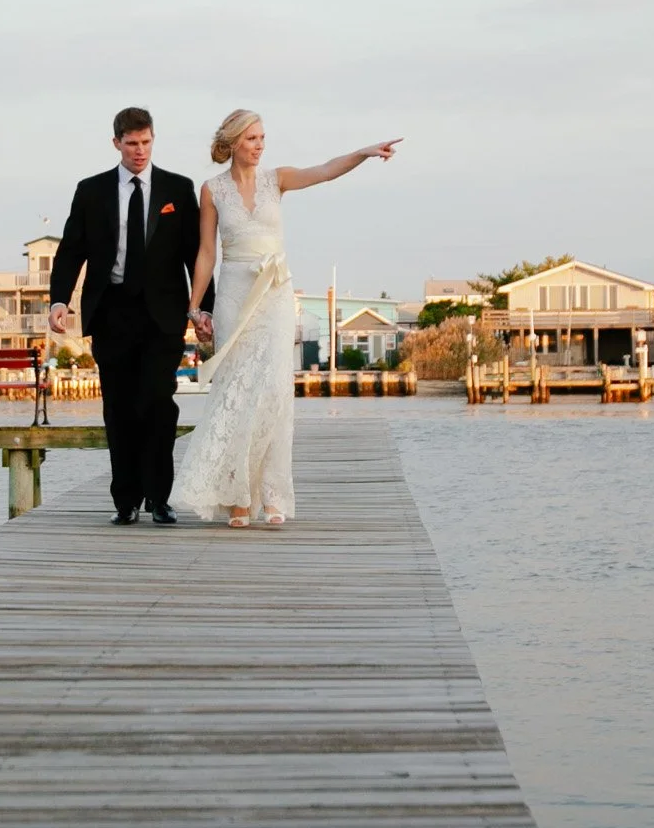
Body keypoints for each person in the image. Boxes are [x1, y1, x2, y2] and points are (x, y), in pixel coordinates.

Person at [180, 111, 399, 527]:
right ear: (232, 142)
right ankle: (237, 498)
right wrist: (195, 308)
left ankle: (272, 495)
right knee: (236, 391)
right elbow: (206, 253)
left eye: (263, 137)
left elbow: (324, 171)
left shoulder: (276, 179)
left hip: (275, 296)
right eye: (251, 138)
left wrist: (364, 153)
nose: (260, 145)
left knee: (273, 393)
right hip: (233, 295)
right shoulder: (212, 190)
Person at [48, 108, 207, 525]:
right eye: (132, 143)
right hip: (111, 312)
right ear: (116, 142)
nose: (140, 151)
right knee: (119, 408)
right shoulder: (92, 191)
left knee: (158, 404)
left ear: (154, 140)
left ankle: (159, 497)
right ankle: (125, 499)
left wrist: (204, 305)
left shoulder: (178, 188)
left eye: (147, 142)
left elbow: (196, 254)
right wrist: (59, 300)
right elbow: (71, 251)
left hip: (163, 315)